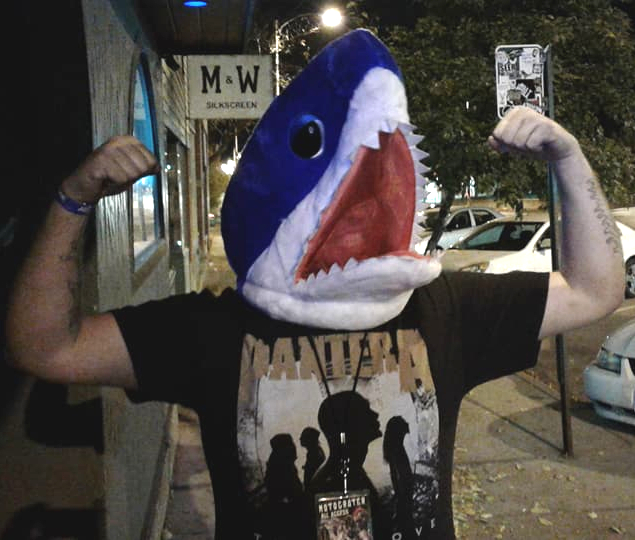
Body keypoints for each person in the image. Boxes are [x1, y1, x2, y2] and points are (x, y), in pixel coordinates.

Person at [5, 107, 625, 539]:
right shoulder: (216, 328)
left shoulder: (446, 307)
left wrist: (568, 159)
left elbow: (595, 290)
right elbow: (46, 348)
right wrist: (72, 199)